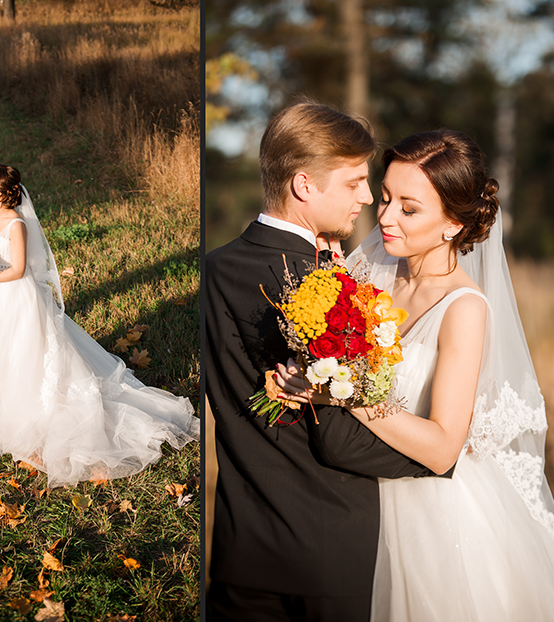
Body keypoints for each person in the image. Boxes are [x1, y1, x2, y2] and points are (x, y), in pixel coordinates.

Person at [276, 130, 554, 621]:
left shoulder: (463, 308)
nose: (385, 217)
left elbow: (441, 449)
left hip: (432, 517)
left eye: (408, 209)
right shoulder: (370, 269)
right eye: (386, 197)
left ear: (452, 224)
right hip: (353, 496)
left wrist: (342, 394)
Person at [205, 103, 441, 622]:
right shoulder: (318, 288)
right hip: (326, 557)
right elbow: (338, 438)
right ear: (305, 185)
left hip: (239, 550)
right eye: (355, 181)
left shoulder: (217, 265)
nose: (366, 198)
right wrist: (443, 460)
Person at [0, 165, 198, 487]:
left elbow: (16, 270)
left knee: (30, 350)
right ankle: (13, 412)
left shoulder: (16, 222)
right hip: (0, 296)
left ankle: (46, 414)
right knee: (8, 351)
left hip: (18, 295)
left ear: (0, 193)